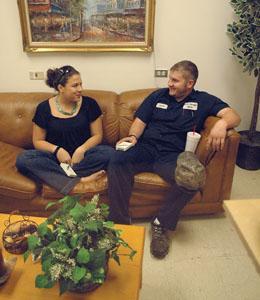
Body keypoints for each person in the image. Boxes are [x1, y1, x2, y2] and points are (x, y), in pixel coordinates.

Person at [107, 60, 241, 259]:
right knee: (117, 160)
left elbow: (234, 116)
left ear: (190, 83)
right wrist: (133, 137)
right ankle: (119, 221)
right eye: (170, 79)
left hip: (172, 156)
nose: (169, 83)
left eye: (175, 80)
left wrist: (221, 125)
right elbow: (139, 122)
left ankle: (161, 223)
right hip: (146, 148)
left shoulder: (204, 100)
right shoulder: (157, 96)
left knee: (193, 179)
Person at [16, 65, 115, 195]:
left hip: (83, 159)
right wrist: (57, 151)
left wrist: (82, 149)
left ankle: (60, 178)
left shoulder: (90, 104)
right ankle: (79, 179)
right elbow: (38, 141)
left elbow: (97, 135)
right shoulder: (44, 108)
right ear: (60, 88)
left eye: (81, 84)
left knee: (110, 153)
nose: (80, 89)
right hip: (55, 160)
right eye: (75, 85)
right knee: (24, 158)